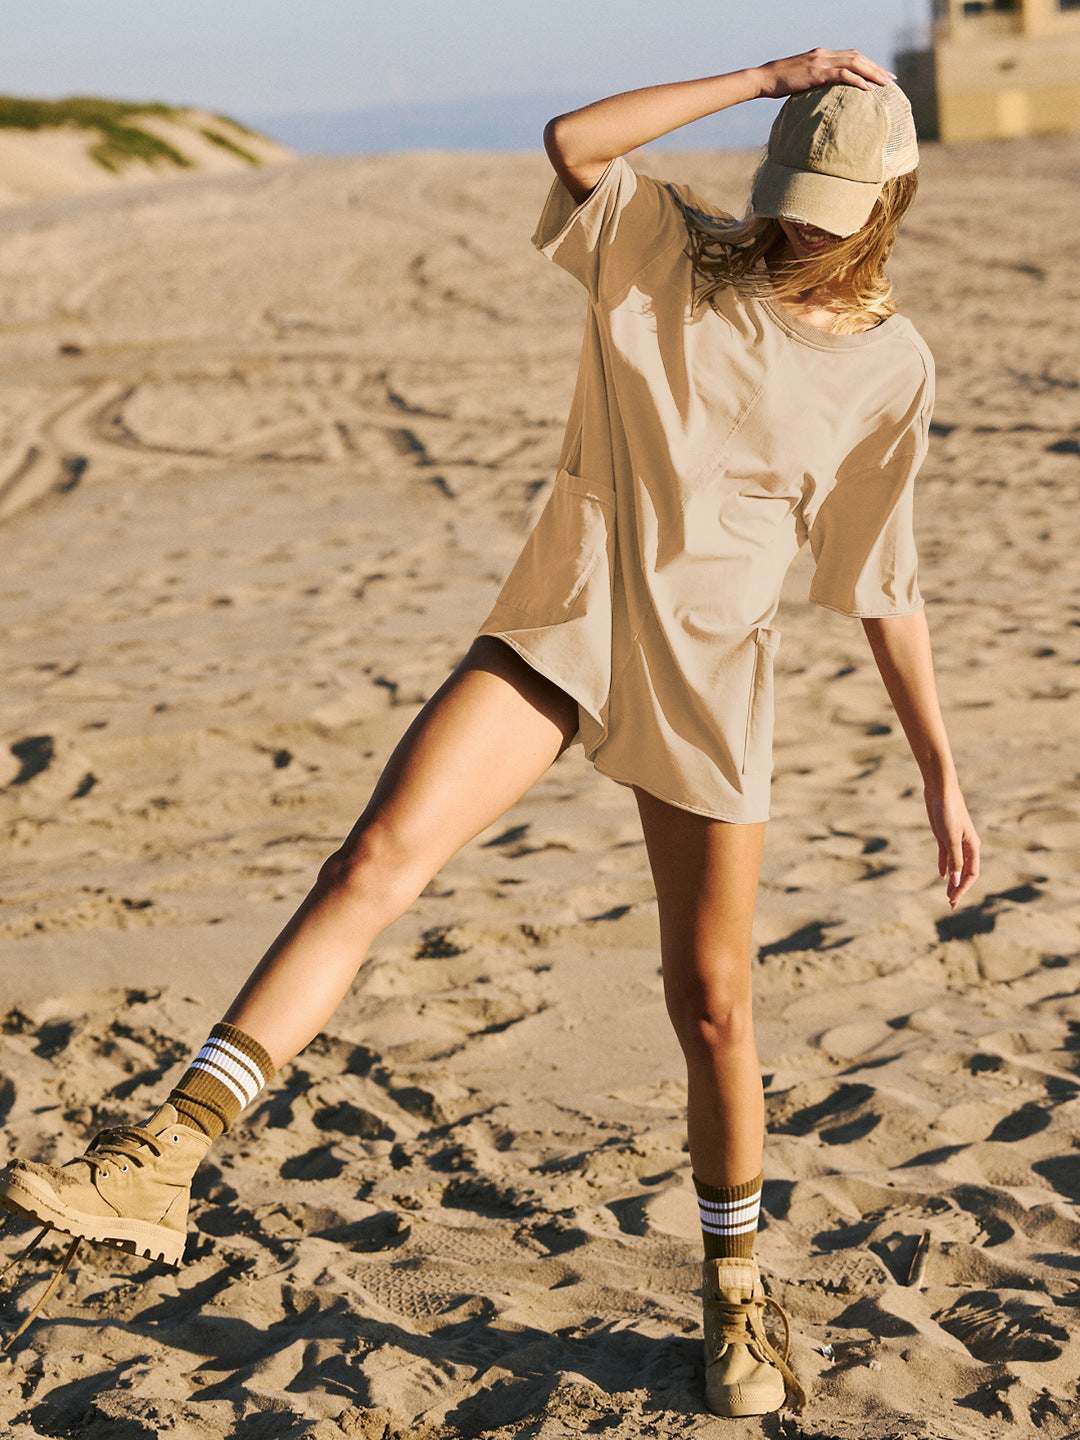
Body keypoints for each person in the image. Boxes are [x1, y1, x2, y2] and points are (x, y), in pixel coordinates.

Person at [0, 48, 979, 1418]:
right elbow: (575, 139)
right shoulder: (668, 255)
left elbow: (885, 578)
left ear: (888, 200)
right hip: (570, 622)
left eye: (832, 198)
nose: (802, 220)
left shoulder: (891, 366)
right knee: (373, 863)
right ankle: (164, 1156)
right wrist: (769, 74)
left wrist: (938, 769)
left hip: (711, 682)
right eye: (793, 187)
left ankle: (736, 1301)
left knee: (712, 1007)